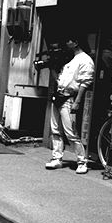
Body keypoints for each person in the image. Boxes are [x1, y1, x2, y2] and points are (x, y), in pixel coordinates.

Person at [45, 33, 95, 174]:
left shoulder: (85, 60)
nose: (66, 43)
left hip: (70, 97)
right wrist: (51, 68)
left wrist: (77, 101)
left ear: (76, 42)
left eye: (69, 41)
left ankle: (82, 161)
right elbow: (60, 80)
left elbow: (85, 82)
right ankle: (57, 158)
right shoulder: (70, 60)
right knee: (55, 130)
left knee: (71, 132)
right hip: (59, 95)